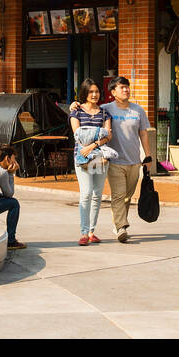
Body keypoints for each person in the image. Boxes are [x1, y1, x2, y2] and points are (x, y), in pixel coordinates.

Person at [101, 76, 154, 243]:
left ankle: (118, 223)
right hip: (114, 161)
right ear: (113, 92)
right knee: (118, 195)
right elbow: (87, 112)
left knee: (127, 196)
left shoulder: (138, 110)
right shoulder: (105, 109)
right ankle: (121, 226)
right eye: (122, 87)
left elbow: (143, 133)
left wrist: (147, 156)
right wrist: (75, 105)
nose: (126, 90)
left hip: (134, 161)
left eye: (127, 87)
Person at [69, 78, 114, 245]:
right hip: (82, 157)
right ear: (85, 93)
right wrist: (97, 135)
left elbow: (109, 135)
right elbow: (77, 134)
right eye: (91, 92)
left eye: (96, 91)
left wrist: (93, 145)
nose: (94, 94)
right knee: (86, 193)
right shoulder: (76, 111)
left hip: (99, 157)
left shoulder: (104, 113)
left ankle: (91, 232)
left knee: (97, 195)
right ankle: (83, 232)